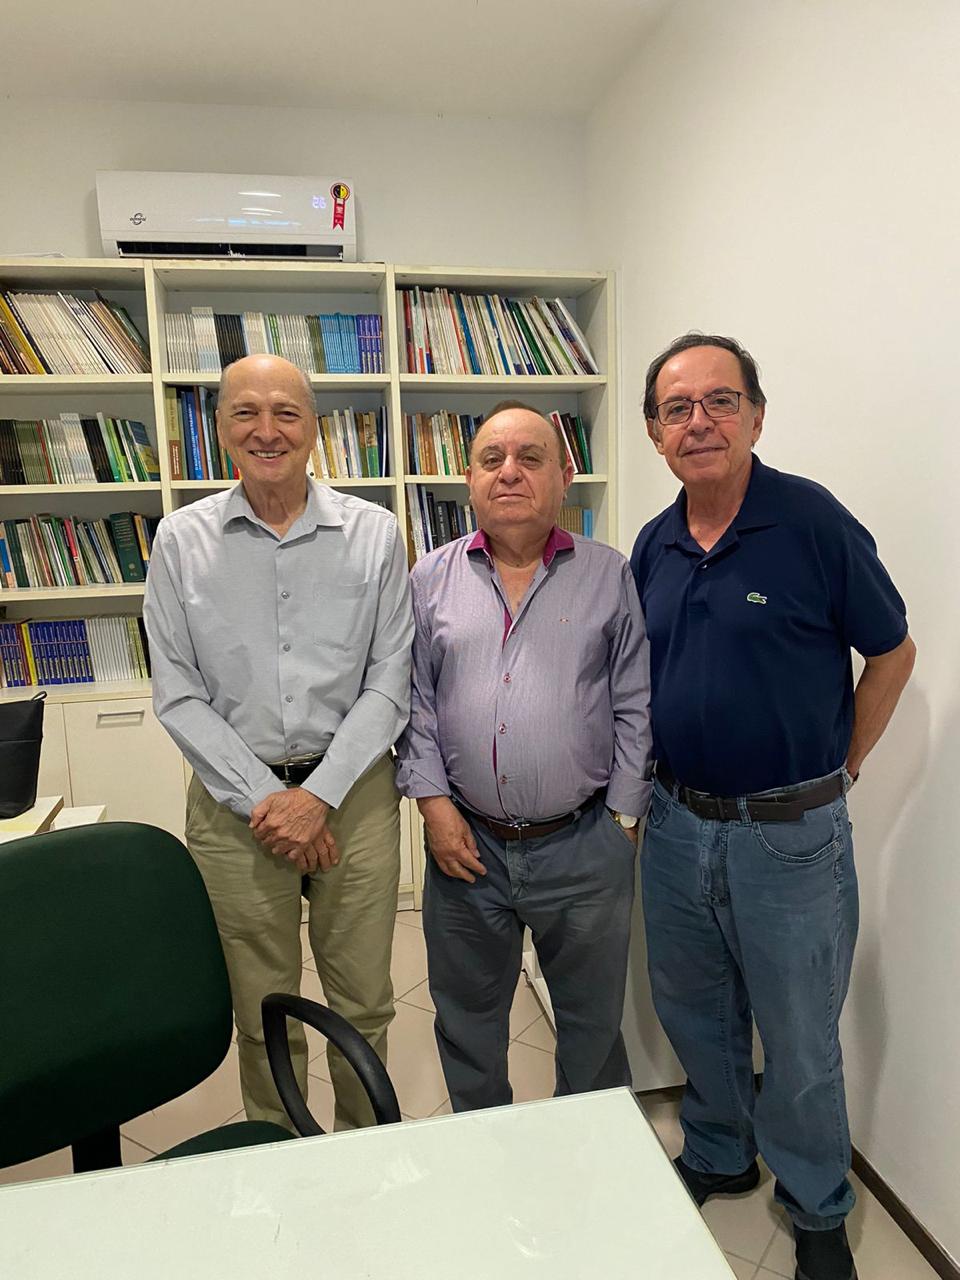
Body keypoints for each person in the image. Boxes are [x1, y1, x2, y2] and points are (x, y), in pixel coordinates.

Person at [631, 333, 915, 1280]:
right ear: (655, 433)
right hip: (677, 825)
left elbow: (893, 652)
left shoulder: (812, 523)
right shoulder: (655, 542)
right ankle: (719, 1150)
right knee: (695, 1009)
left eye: (720, 400)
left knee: (798, 1035)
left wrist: (846, 764)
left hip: (790, 834)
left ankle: (817, 1201)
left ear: (756, 415)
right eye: (678, 408)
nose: (699, 422)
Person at [144, 354, 414, 1132]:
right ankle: (281, 1152)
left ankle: (364, 1151)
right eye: (246, 412)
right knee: (261, 1010)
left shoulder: (374, 533)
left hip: (353, 799)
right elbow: (178, 693)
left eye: (286, 412)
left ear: (314, 427)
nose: (267, 430)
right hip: (237, 810)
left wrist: (317, 796)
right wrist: (272, 800)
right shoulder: (180, 541)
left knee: (364, 1002)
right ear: (219, 428)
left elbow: (390, 682)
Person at [396, 401, 653, 1112]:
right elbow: (414, 703)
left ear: (564, 476)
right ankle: (485, 1154)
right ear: (469, 478)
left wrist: (623, 820)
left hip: (584, 843)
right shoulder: (430, 579)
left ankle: (590, 1155)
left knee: (591, 1027)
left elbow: (635, 701)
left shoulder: (608, 574)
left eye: (530, 458)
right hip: (465, 844)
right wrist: (435, 808)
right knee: (468, 1024)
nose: (509, 472)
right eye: (492, 459)